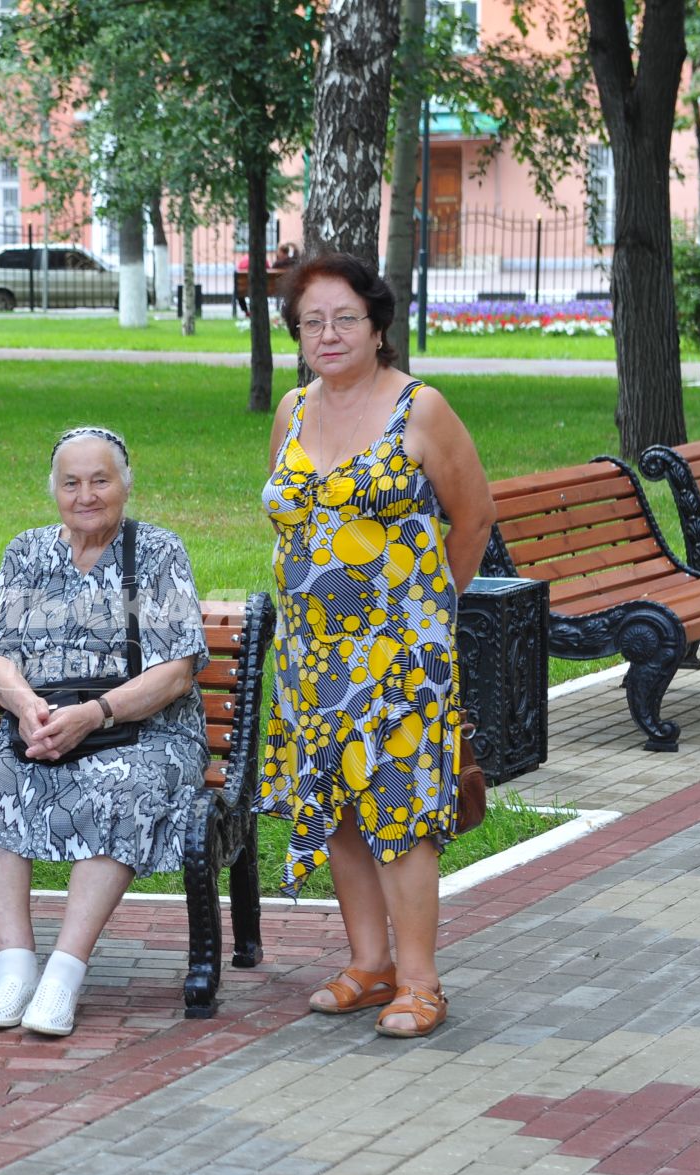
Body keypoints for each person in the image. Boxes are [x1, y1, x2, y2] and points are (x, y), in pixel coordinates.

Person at [257, 250, 496, 1039]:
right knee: (337, 809)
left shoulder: (420, 408)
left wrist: (430, 611)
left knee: (399, 810)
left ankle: (421, 982)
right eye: (310, 322)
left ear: (377, 324)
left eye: (343, 318)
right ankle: (369, 964)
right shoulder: (292, 411)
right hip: (311, 658)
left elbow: (476, 517)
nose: (326, 334)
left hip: (400, 658)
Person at [0, 428, 209, 1037]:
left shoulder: (158, 552)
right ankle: (15, 969)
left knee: (120, 786)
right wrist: (25, 704)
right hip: (46, 722)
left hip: (144, 732)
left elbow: (177, 672)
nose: (86, 495)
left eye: (100, 480)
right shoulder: (28, 553)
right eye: (71, 482)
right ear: (54, 490)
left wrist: (96, 714)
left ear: (126, 486)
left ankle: (64, 973)